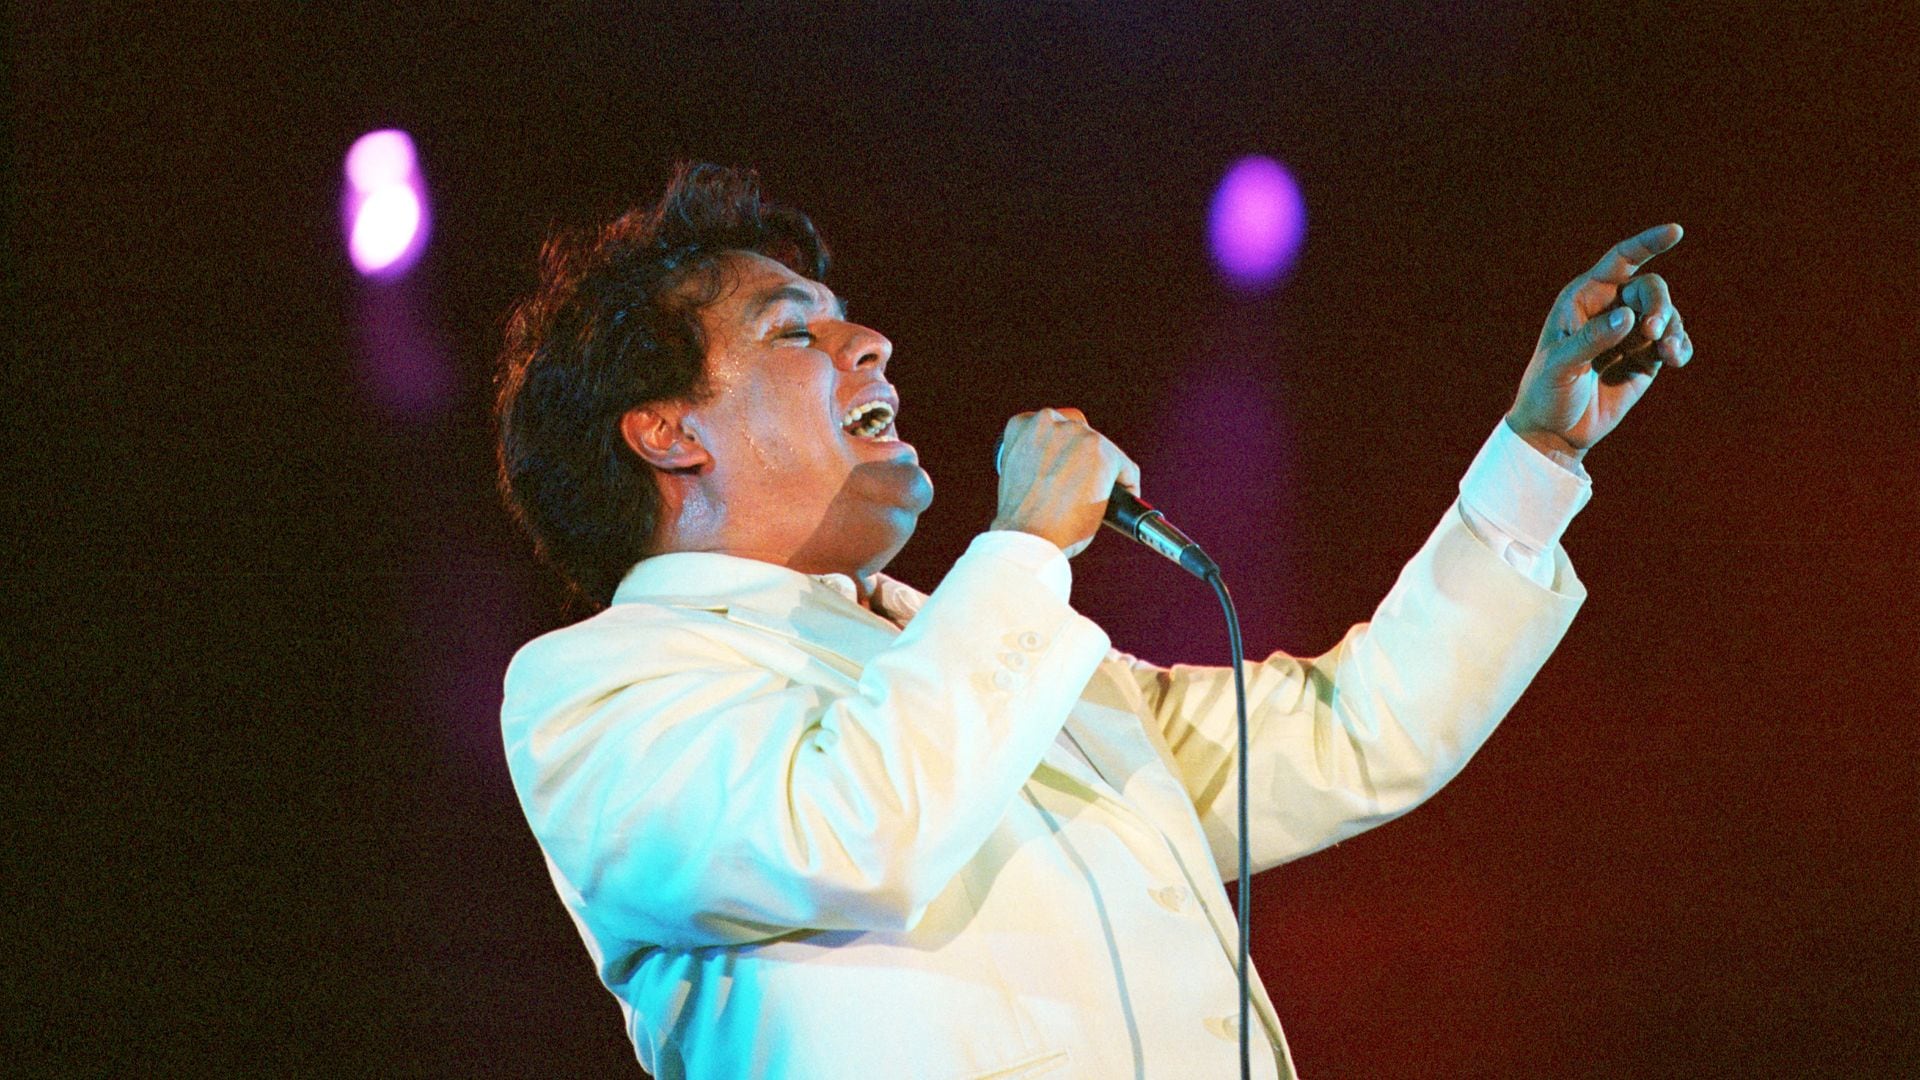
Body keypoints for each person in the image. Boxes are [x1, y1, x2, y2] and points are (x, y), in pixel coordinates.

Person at [493, 163, 1691, 1079]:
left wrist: (1536, 454)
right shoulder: (597, 687)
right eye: (794, 330)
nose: (871, 343)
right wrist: (1023, 547)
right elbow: (851, 830)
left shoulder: (977, 648)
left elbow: (1354, 731)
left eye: (847, 318)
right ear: (667, 430)